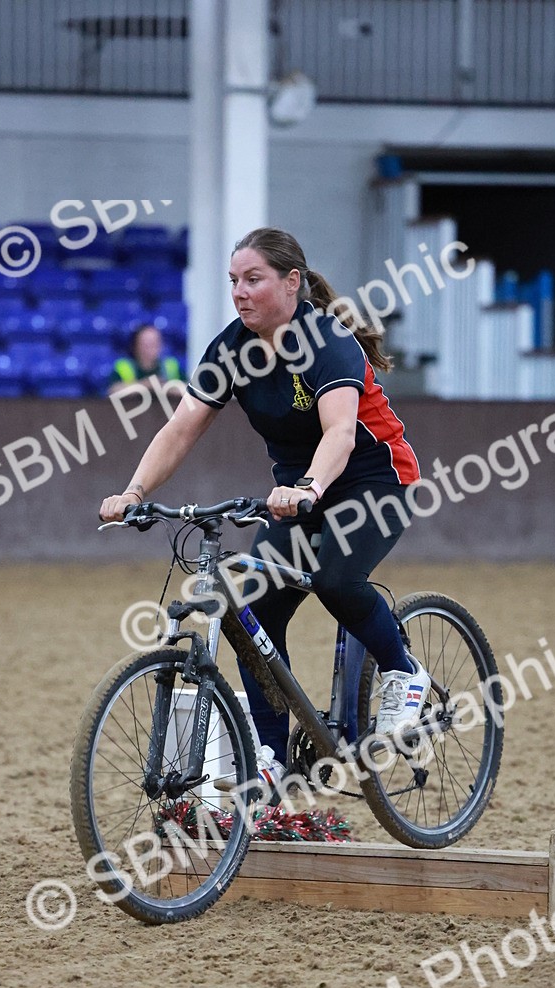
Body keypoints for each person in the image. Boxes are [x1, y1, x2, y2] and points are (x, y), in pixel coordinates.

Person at [100, 227, 429, 792]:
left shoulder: (328, 341)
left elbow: (341, 434)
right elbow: (181, 428)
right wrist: (134, 493)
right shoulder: (231, 349)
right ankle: (273, 755)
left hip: (373, 482)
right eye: (233, 281)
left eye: (253, 279)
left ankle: (404, 671)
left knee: (336, 579)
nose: (240, 292)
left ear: (292, 283)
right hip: (297, 494)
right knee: (254, 614)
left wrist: (306, 487)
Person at [107, 323, 184, 400]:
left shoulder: (171, 365)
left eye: (154, 343)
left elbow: (187, 390)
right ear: (135, 345)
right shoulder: (124, 366)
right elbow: (113, 391)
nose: (151, 349)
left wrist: (166, 387)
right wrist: (145, 385)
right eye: (145, 344)